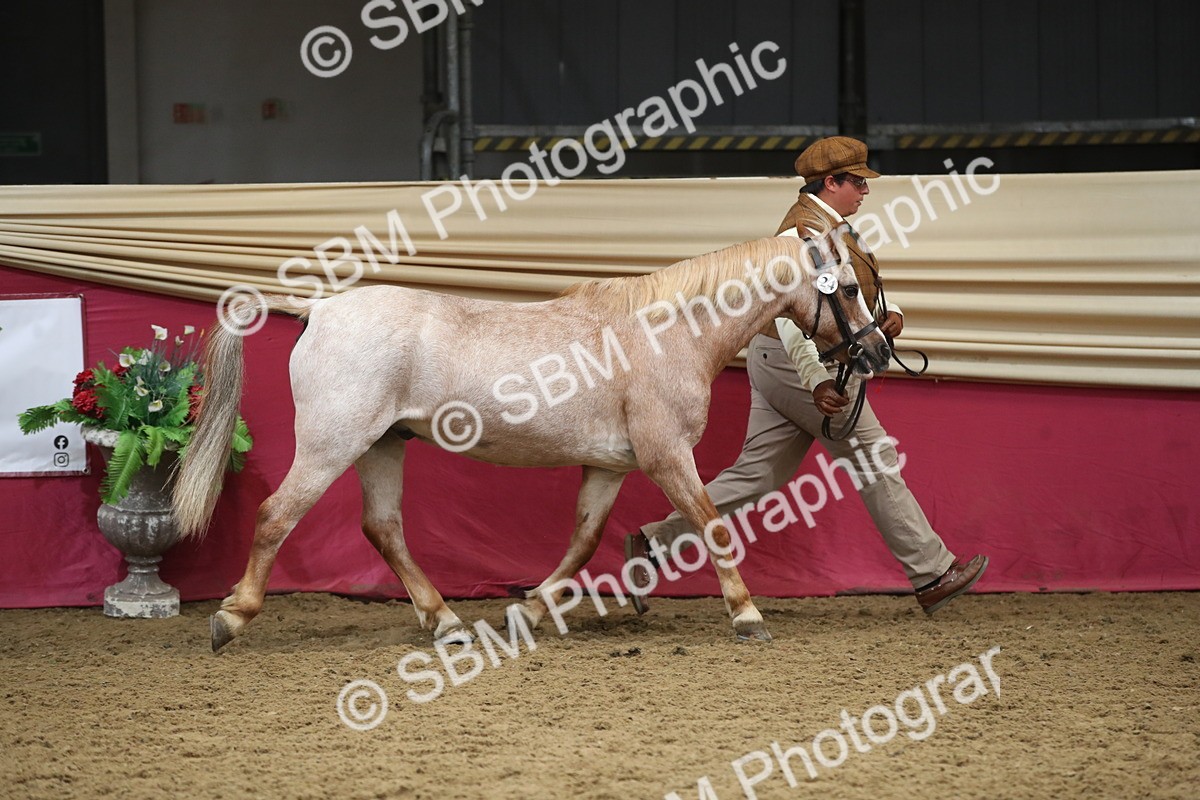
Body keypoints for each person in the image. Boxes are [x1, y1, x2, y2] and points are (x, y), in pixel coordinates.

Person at [624, 136, 987, 616]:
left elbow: (851, 294)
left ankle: (655, 544)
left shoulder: (830, 227)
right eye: (857, 182)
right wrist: (816, 380)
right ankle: (932, 574)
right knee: (873, 460)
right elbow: (795, 319)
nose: (865, 190)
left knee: (758, 475)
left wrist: (889, 312)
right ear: (830, 183)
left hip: (776, 364)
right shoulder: (802, 239)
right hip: (802, 366)